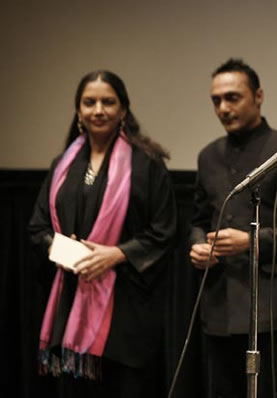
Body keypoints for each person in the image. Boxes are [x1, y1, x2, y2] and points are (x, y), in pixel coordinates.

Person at [28, 70, 177, 397]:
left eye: (108, 102)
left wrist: (116, 254)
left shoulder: (147, 164)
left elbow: (164, 231)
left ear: (123, 109)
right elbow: (38, 229)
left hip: (127, 311)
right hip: (72, 301)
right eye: (89, 102)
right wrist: (75, 257)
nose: (98, 110)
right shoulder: (62, 164)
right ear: (79, 110)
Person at [189, 58, 277, 398]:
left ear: (258, 96)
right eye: (216, 100)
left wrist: (251, 242)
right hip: (218, 306)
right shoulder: (208, 156)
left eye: (233, 97)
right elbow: (197, 220)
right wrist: (198, 246)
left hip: (272, 309)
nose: (223, 107)